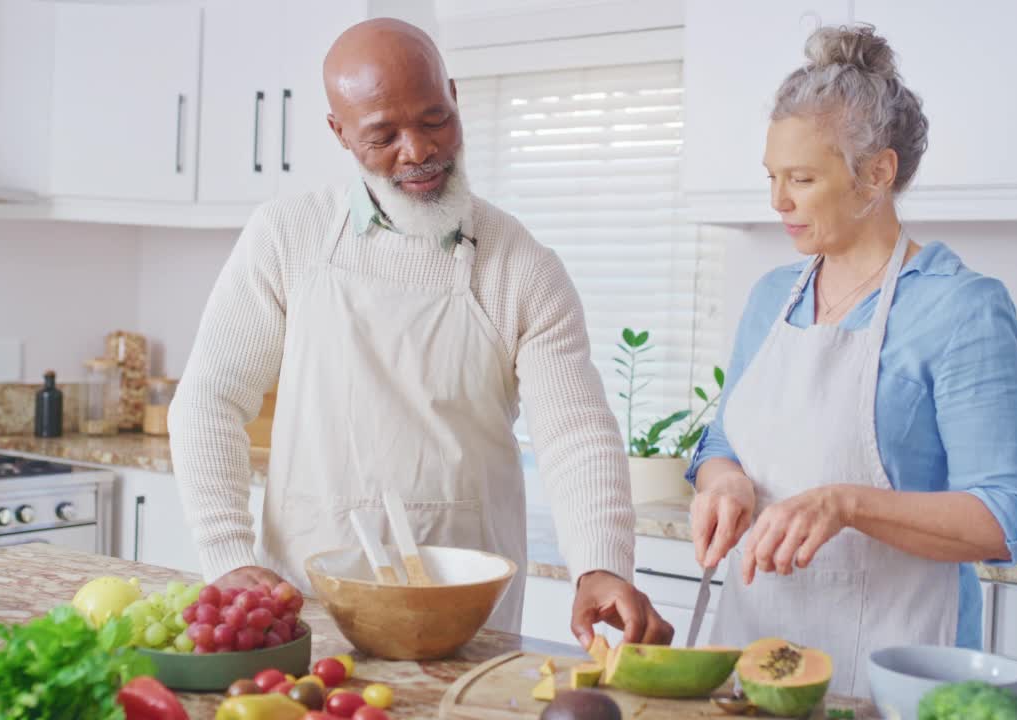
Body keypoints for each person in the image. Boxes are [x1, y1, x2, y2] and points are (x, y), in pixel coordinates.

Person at [169, 18, 673, 647]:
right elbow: (207, 402)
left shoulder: (521, 266)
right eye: (383, 135)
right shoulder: (286, 236)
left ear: (455, 97)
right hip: (307, 609)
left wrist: (600, 564)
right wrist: (225, 555)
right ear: (340, 133)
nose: (418, 151)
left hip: (467, 619)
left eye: (435, 120)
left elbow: (574, 431)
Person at [686, 25, 1017, 694]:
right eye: (771, 177)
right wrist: (724, 481)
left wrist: (846, 505)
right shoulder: (772, 298)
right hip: (753, 655)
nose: (777, 201)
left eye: (801, 178)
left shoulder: (961, 309)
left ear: (878, 173)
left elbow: (1005, 518)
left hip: (895, 671)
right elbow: (723, 439)